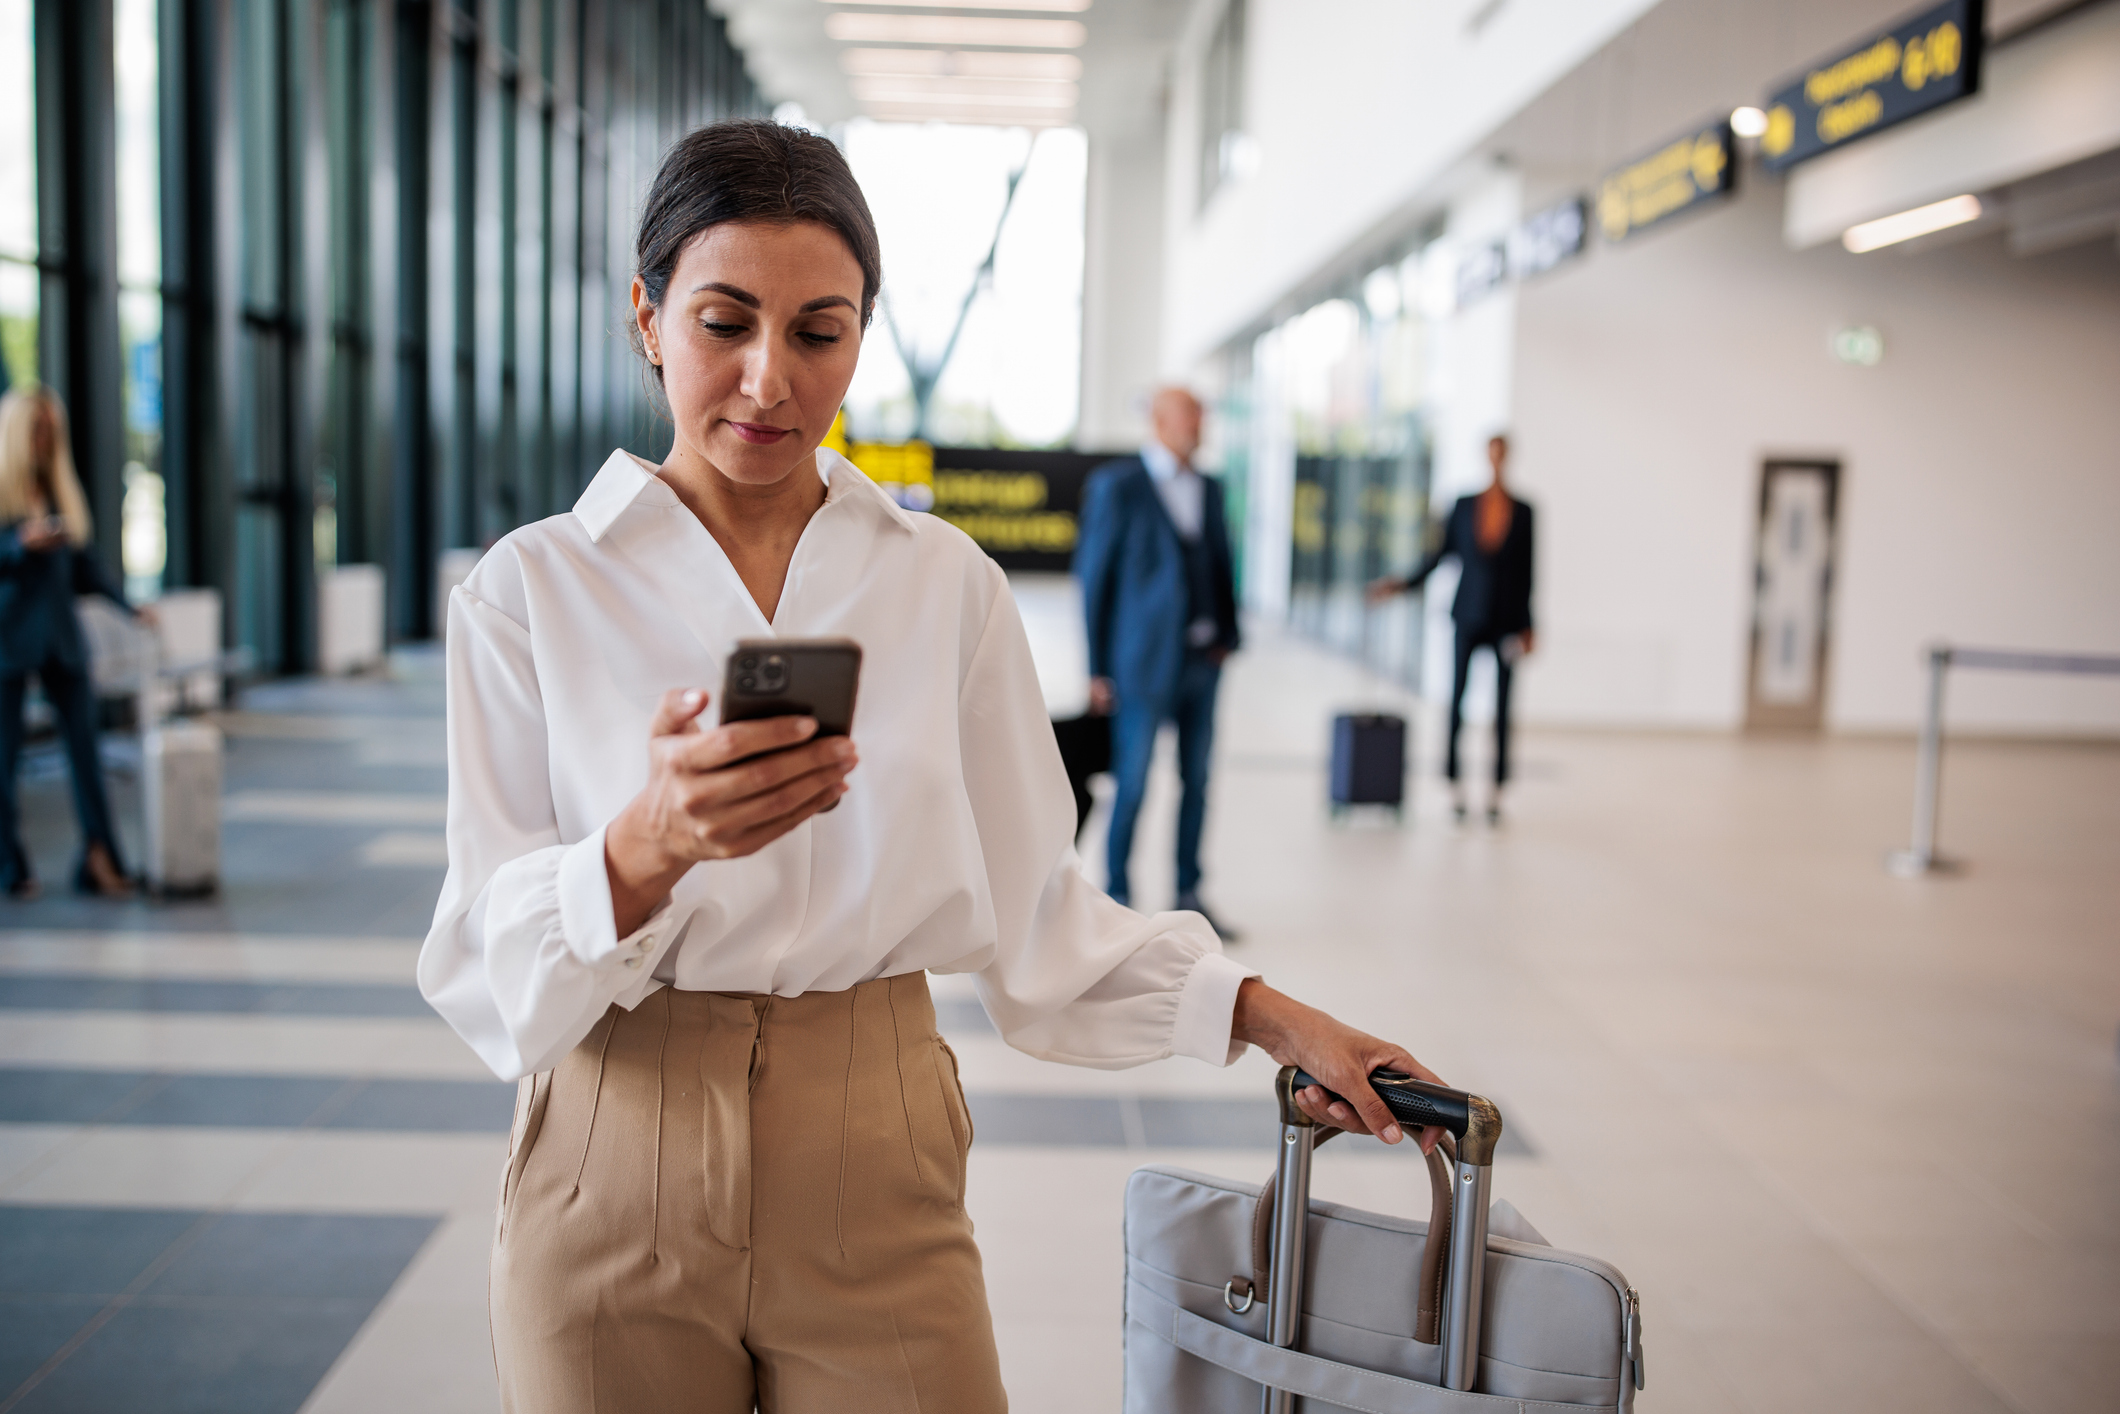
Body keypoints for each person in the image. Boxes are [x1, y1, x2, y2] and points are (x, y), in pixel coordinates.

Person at [418, 120, 1447, 1414]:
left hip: (875, 1149)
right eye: (724, 322)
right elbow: (480, 961)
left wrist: (1281, 1021)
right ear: (647, 315)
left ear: (862, 332)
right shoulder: (530, 592)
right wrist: (645, 847)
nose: (767, 381)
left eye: (817, 332)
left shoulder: (941, 584)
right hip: (611, 1151)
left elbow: (1041, 915)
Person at [1073, 388, 1241, 934]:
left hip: (1202, 661)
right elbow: (1094, 579)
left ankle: (1190, 890)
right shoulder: (1118, 487)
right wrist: (1097, 666)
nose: (1202, 423)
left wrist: (1227, 638)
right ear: (1162, 420)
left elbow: (1221, 564)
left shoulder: (1210, 488)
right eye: (1194, 413)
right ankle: (1117, 895)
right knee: (1135, 780)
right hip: (1140, 663)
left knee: (1198, 779)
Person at [0, 386, 146, 898]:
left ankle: (100, 856)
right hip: (10, 641)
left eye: (50, 430)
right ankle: (11, 866)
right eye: (36, 429)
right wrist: (19, 545)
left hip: (62, 639)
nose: (44, 439)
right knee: (4, 759)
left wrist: (128, 607)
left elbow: (85, 565)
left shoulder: (59, 490)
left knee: (86, 751)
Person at [1368, 433, 1535, 826]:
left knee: (1503, 709)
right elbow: (1438, 557)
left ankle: (1496, 791)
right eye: (1491, 454)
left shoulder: (1525, 512)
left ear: (1508, 458)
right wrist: (1400, 585)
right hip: (1468, 616)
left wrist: (1530, 626)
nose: (1496, 461)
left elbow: (1530, 574)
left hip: (1507, 622)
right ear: (1485, 457)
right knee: (1456, 702)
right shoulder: (1463, 506)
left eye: (1502, 455)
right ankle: (1455, 786)